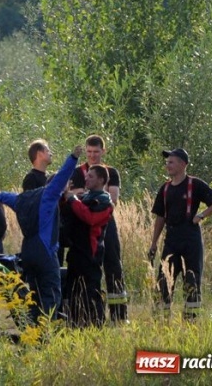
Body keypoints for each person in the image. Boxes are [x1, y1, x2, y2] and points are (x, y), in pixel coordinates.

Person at [0, 144, 83, 323]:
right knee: (51, 293)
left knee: (34, 294)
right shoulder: (49, 195)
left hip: (27, 251)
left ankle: (32, 328)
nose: (66, 187)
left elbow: (2, 196)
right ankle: (46, 331)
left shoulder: (21, 199)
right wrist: (73, 157)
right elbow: (63, 175)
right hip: (45, 252)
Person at [148, 148, 212, 321]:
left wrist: (201, 215)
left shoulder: (195, 184)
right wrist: (154, 243)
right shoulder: (165, 189)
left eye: (172, 162)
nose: (168, 165)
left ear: (183, 164)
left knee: (192, 280)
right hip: (171, 238)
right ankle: (162, 319)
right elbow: (160, 217)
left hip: (191, 238)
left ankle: (190, 321)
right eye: (167, 162)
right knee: (164, 281)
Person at [68, 134, 128, 323]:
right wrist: (85, 194)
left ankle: (119, 315)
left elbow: (113, 198)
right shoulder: (78, 172)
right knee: (86, 267)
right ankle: (85, 312)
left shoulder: (110, 171)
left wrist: (82, 194)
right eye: (89, 152)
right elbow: (72, 195)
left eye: (96, 152)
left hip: (107, 222)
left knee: (113, 265)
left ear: (103, 151)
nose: (92, 155)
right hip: (84, 228)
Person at [62, 164, 114, 327]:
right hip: (76, 252)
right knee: (72, 291)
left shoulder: (105, 201)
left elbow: (90, 217)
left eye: (91, 176)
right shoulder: (84, 197)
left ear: (101, 180)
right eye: (86, 175)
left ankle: (96, 325)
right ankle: (73, 324)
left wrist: (72, 199)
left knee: (91, 291)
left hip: (91, 254)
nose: (86, 178)